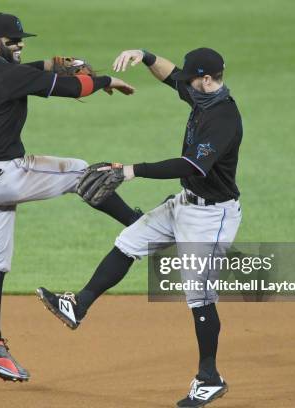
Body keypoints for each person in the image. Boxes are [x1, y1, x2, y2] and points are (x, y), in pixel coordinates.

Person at [36, 47, 243, 407]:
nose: (186, 84)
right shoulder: (204, 94)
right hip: (183, 203)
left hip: (212, 217)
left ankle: (209, 378)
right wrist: (145, 56)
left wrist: (132, 170)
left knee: (200, 298)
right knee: (129, 241)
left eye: (192, 80)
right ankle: (78, 306)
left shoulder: (224, 119)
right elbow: (172, 75)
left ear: (207, 80)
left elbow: (191, 166)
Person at [0, 12, 141, 383]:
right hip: (3, 175)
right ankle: (141, 224)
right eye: (13, 41)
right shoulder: (10, 75)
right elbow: (72, 89)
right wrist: (103, 80)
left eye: (22, 40)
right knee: (83, 172)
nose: (20, 45)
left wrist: (59, 63)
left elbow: (27, 72)